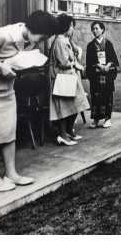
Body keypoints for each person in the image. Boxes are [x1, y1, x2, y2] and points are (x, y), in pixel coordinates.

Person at [0, 10, 56, 191]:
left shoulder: (26, 39)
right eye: (41, 37)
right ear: (33, 28)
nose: (40, 41)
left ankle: (11, 173)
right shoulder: (3, 35)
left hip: (6, 90)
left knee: (8, 131)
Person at [49, 15, 89, 145]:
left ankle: (69, 131)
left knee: (76, 105)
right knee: (65, 107)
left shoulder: (65, 40)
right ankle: (62, 134)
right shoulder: (60, 41)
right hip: (63, 78)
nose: (72, 29)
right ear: (65, 26)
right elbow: (64, 62)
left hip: (70, 77)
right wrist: (75, 64)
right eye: (71, 26)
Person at [86, 21, 119, 129]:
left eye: (96, 28)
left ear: (102, 30)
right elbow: (89, 62)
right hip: (96, 75)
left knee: (107, 96)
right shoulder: (90, 45)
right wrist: (98, 66)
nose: (94, 31)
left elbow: (113, 59)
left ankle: (107, 119)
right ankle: (95, 119)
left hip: (107, 75)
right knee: (95, 97)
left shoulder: (108, 43)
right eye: (93, 29)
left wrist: (108, 65)